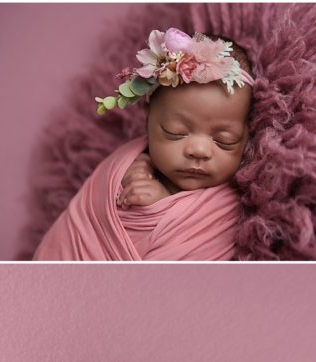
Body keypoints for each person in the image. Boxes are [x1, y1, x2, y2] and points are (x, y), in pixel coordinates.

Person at [33, 29, 254, 261]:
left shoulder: (232, 208)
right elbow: (84, 227)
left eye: (224, 140)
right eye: (175, 132)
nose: (199, 150)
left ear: (247, 134)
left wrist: (158, 205)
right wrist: (130, 184)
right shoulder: (123, 167)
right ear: (148, 119)